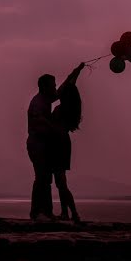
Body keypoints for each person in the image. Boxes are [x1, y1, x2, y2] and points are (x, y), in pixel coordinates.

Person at [26, 62, 85, 221]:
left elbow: (65, 87)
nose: (55, 87)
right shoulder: (39, 102)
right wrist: (54, 127)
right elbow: (39, 119)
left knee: (46, 179)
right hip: (37, 143)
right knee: (42, 178)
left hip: (46, 144)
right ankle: (38, 212)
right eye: (52, 85)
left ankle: (46, 211)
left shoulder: (48, 98)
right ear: (44, 87)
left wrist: (75, 72)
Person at [51, 65, 84, 222]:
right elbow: (69, 83)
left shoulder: (61, 111)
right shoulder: (70, 108)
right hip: (63, 144)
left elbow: (65, 86)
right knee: (60, 182)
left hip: (58, 145)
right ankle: (66, 212)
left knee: (61, 183)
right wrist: (77, 71)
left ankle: (73, 212)